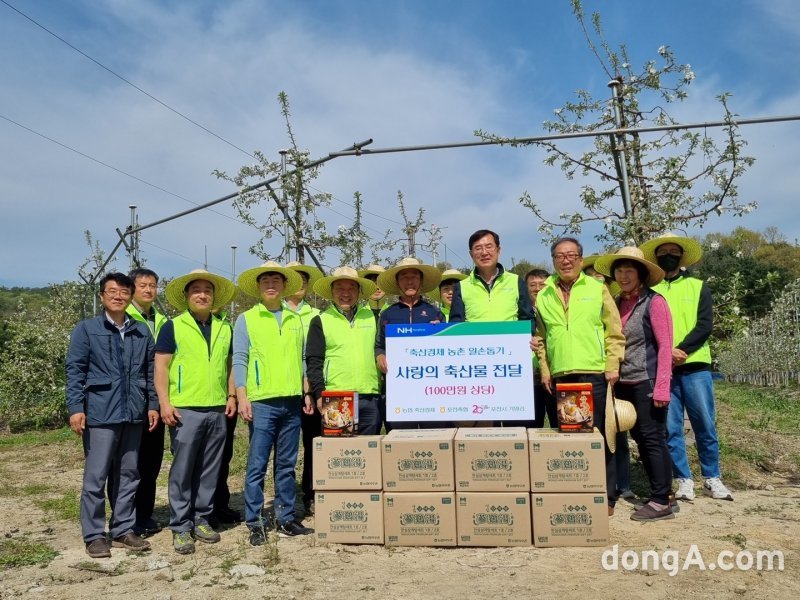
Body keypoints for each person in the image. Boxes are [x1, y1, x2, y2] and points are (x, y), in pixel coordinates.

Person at [66, 272, 158, 558]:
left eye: (123, 292)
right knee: (97, 475)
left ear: (130, 296)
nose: (118, 296)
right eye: (112, 291)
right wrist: (76, 408)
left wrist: (152, 404)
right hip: (100, 413)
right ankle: (94, 535)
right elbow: (75, 370)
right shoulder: (87, 329)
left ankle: (122, 530)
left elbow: (150, 371)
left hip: (133, 413)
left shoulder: (141, 331)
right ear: (102, 296)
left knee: (129, 474)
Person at [534, 237, 626, 515]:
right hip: (563, 374)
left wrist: (613, 364)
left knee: (599, 434)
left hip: (593, 371)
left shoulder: (597, 288)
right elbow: (541, 336)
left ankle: (606, 494)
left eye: (572, 255)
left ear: (580, 259)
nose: (566, 260)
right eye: (560, 256)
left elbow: (614, 330)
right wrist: (546, 370)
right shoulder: (545, 294)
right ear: (553, 261)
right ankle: (579, 489)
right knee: (573, 437)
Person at [641, 233, 734, 502]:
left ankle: (712, 477)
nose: (667, 255)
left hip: (694, 365)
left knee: (704, 423)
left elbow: (704, 324)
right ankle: (683, 480)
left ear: (681, 257)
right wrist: (665, 354)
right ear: (656, 258)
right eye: (662, 252)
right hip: (662, 370)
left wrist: (680, 350)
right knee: (669, 428)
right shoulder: (652, 291)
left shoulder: (698, 286)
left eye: (673, 251)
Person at [155, 269, 236, 555]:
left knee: (210, 469)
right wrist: (165, 403)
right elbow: (161, 367)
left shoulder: (225, 327)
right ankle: (180, 525)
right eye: (196, 290)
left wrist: (231, 394)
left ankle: (201, 518)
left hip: (216, 408)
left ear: (213, 297)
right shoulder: (172, 326)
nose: (202, 294)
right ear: (187, 297)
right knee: (183, 469)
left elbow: (229, 366)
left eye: (207, 290)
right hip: (185, 409)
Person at [234, 261, 314, 545]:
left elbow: (303, 359)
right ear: (258, 286)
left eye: (276, 281)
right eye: (265, 280)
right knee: (257, 464)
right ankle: (254, 521)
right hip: (262, 403)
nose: (271, 284)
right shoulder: (247, 319)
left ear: (284, 286)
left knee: (286, 464)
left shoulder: (296, 319)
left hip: (291, 402)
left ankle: (285, 518)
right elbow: (240, 359)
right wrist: (242, 395)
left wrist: (305, 392)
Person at [594, 247, 676, 521]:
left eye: (629, 270)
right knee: (640, 437)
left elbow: (665, 347)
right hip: (624, 381)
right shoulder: (617, 302)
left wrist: (663, 386)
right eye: (619, 270)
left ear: (641, 274)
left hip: (647, 379)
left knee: (652, 437)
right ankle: (666, 493)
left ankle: (660, 498)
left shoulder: (655, 302)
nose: (624, 275)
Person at [449, 229, 535, 426]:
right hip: (476, 369)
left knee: (516, 426)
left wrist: (526, 341)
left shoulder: (515, 281)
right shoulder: (462, 286)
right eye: (478, 248)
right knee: (484, 427)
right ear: (471, 254)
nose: (484, 252)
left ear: (498, 250)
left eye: (489, 247)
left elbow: (527, 318)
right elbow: (455, 325)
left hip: (511, 366)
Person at [306, 267, 382, 434]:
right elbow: (314, 361)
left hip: (369, 396)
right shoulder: (321, 320)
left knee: (369, 453)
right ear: (332, 292)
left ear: (359, 291)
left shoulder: (373, 317)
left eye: (351, 288)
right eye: (340, 288)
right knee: (340, 455)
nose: (345, 293)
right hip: (336, 397)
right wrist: (319, 394)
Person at [123, 267, 168, 536]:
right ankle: (125, 516)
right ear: (132, 288)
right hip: (131, 400)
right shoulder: (123, 318)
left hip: (158, 400)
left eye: (153, 285)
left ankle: (144, 513)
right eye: (143, 285)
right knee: (129, 462)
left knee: (152, 460)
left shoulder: (162, 321)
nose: (149, 290)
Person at [375, 258, 444, 429]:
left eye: (414, 276)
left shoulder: (434, 313)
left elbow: (446, 349)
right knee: (402, 440)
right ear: (398, 283)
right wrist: (380, 356)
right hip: (399, 392)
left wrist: (440, 332)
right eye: (404, 277)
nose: (409, 281)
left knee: (435, 438)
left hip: (432, 391)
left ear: (421, 281)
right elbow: (379, 345)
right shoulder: (388, 315)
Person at [285, 260, 324, 517]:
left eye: (304, 279)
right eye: (294, 278)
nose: (300, 283)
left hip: (311, 388)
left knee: (313, 443)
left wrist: (311, 388)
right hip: (285, 389)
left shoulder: (316, 315)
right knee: (286, 449)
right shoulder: (276, 313)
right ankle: (285, 499)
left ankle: (311, 493)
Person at [525, 268, 557, 429]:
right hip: (528, 379)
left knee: (556, 421)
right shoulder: (521, 313)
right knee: (532, 425)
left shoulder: (555, 310)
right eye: (532, 285)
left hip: (553, 374)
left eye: (542, 285)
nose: (537, 288)